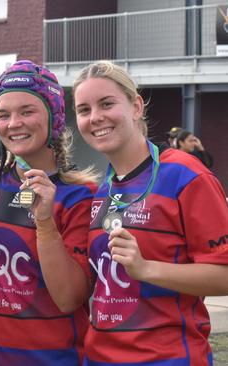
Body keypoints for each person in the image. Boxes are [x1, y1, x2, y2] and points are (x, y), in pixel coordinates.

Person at [71, 60, 228, 365]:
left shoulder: (184, 174)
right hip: (99, 358)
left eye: (106, 104)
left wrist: (147, 269)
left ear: (136, 106)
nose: (96, 118)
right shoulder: (102, 188)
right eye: (84, 110)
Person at [0, 60, 97, 365]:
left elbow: (69, 297)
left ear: (53, 117)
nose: (14, 123)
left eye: (27, 111)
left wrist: (45, 221)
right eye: (3, 114)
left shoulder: (81, 196)